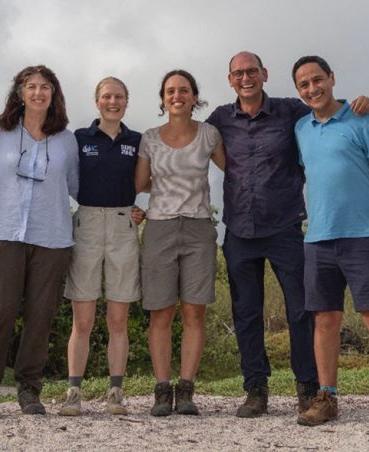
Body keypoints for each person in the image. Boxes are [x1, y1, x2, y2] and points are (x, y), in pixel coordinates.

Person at [206, 51, 369, 418]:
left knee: (302, 309)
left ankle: (308, 388)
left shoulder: (290, 112)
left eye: (252, 71)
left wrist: (357, 103)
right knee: (246, 313)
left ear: (264, 74)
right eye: (238, 73)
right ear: (229, 79)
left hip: (285, 228)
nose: (245, 78)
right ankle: (255, 389)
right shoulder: (219, 118)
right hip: (239, 230)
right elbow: (190, 142)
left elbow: (326, 109)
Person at [291, 55, 369, 432]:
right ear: (299, 91)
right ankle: (326, 398)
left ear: (332, 78)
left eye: (317, 80)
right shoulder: (301, 128)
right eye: (304, 84)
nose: (312, 88)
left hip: (363, 235)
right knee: (325, 320)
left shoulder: (361, 117)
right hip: (318, 239)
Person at [0, 65, 79, 419]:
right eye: (31, 86)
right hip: (4, 231)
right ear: (19, 93)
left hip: (52, 236)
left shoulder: (67, 140)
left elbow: (77, 185)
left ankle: (29, 388)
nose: (38, 93)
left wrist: (125, 201)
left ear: (54, 94)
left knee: (41, 315)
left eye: (45, 87)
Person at [135, 69, 225, 417]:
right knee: (161, 311)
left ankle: (186, 389)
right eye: (171, 91)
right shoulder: (150, 138)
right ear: (162, 98)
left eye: (184, 90)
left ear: (194, 96)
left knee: (194, 311)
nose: (177, 96)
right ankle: (162, 389)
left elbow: (234, 170)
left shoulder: (209, 134)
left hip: (199, 227)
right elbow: (141, 183)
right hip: (159, 226)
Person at [58, 77, 144, 416]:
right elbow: (63, 177)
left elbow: (147, 180)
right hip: (88, 223)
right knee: (83, 319)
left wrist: (143, 210)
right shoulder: (80, 138)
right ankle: (73, 392)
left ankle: (115, 392)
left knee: (118, 318)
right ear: (97, 101)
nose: (113, 101)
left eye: (119, 96)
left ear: (126, 101)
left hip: (124, 223)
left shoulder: (136, 140)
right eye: (107, 96)